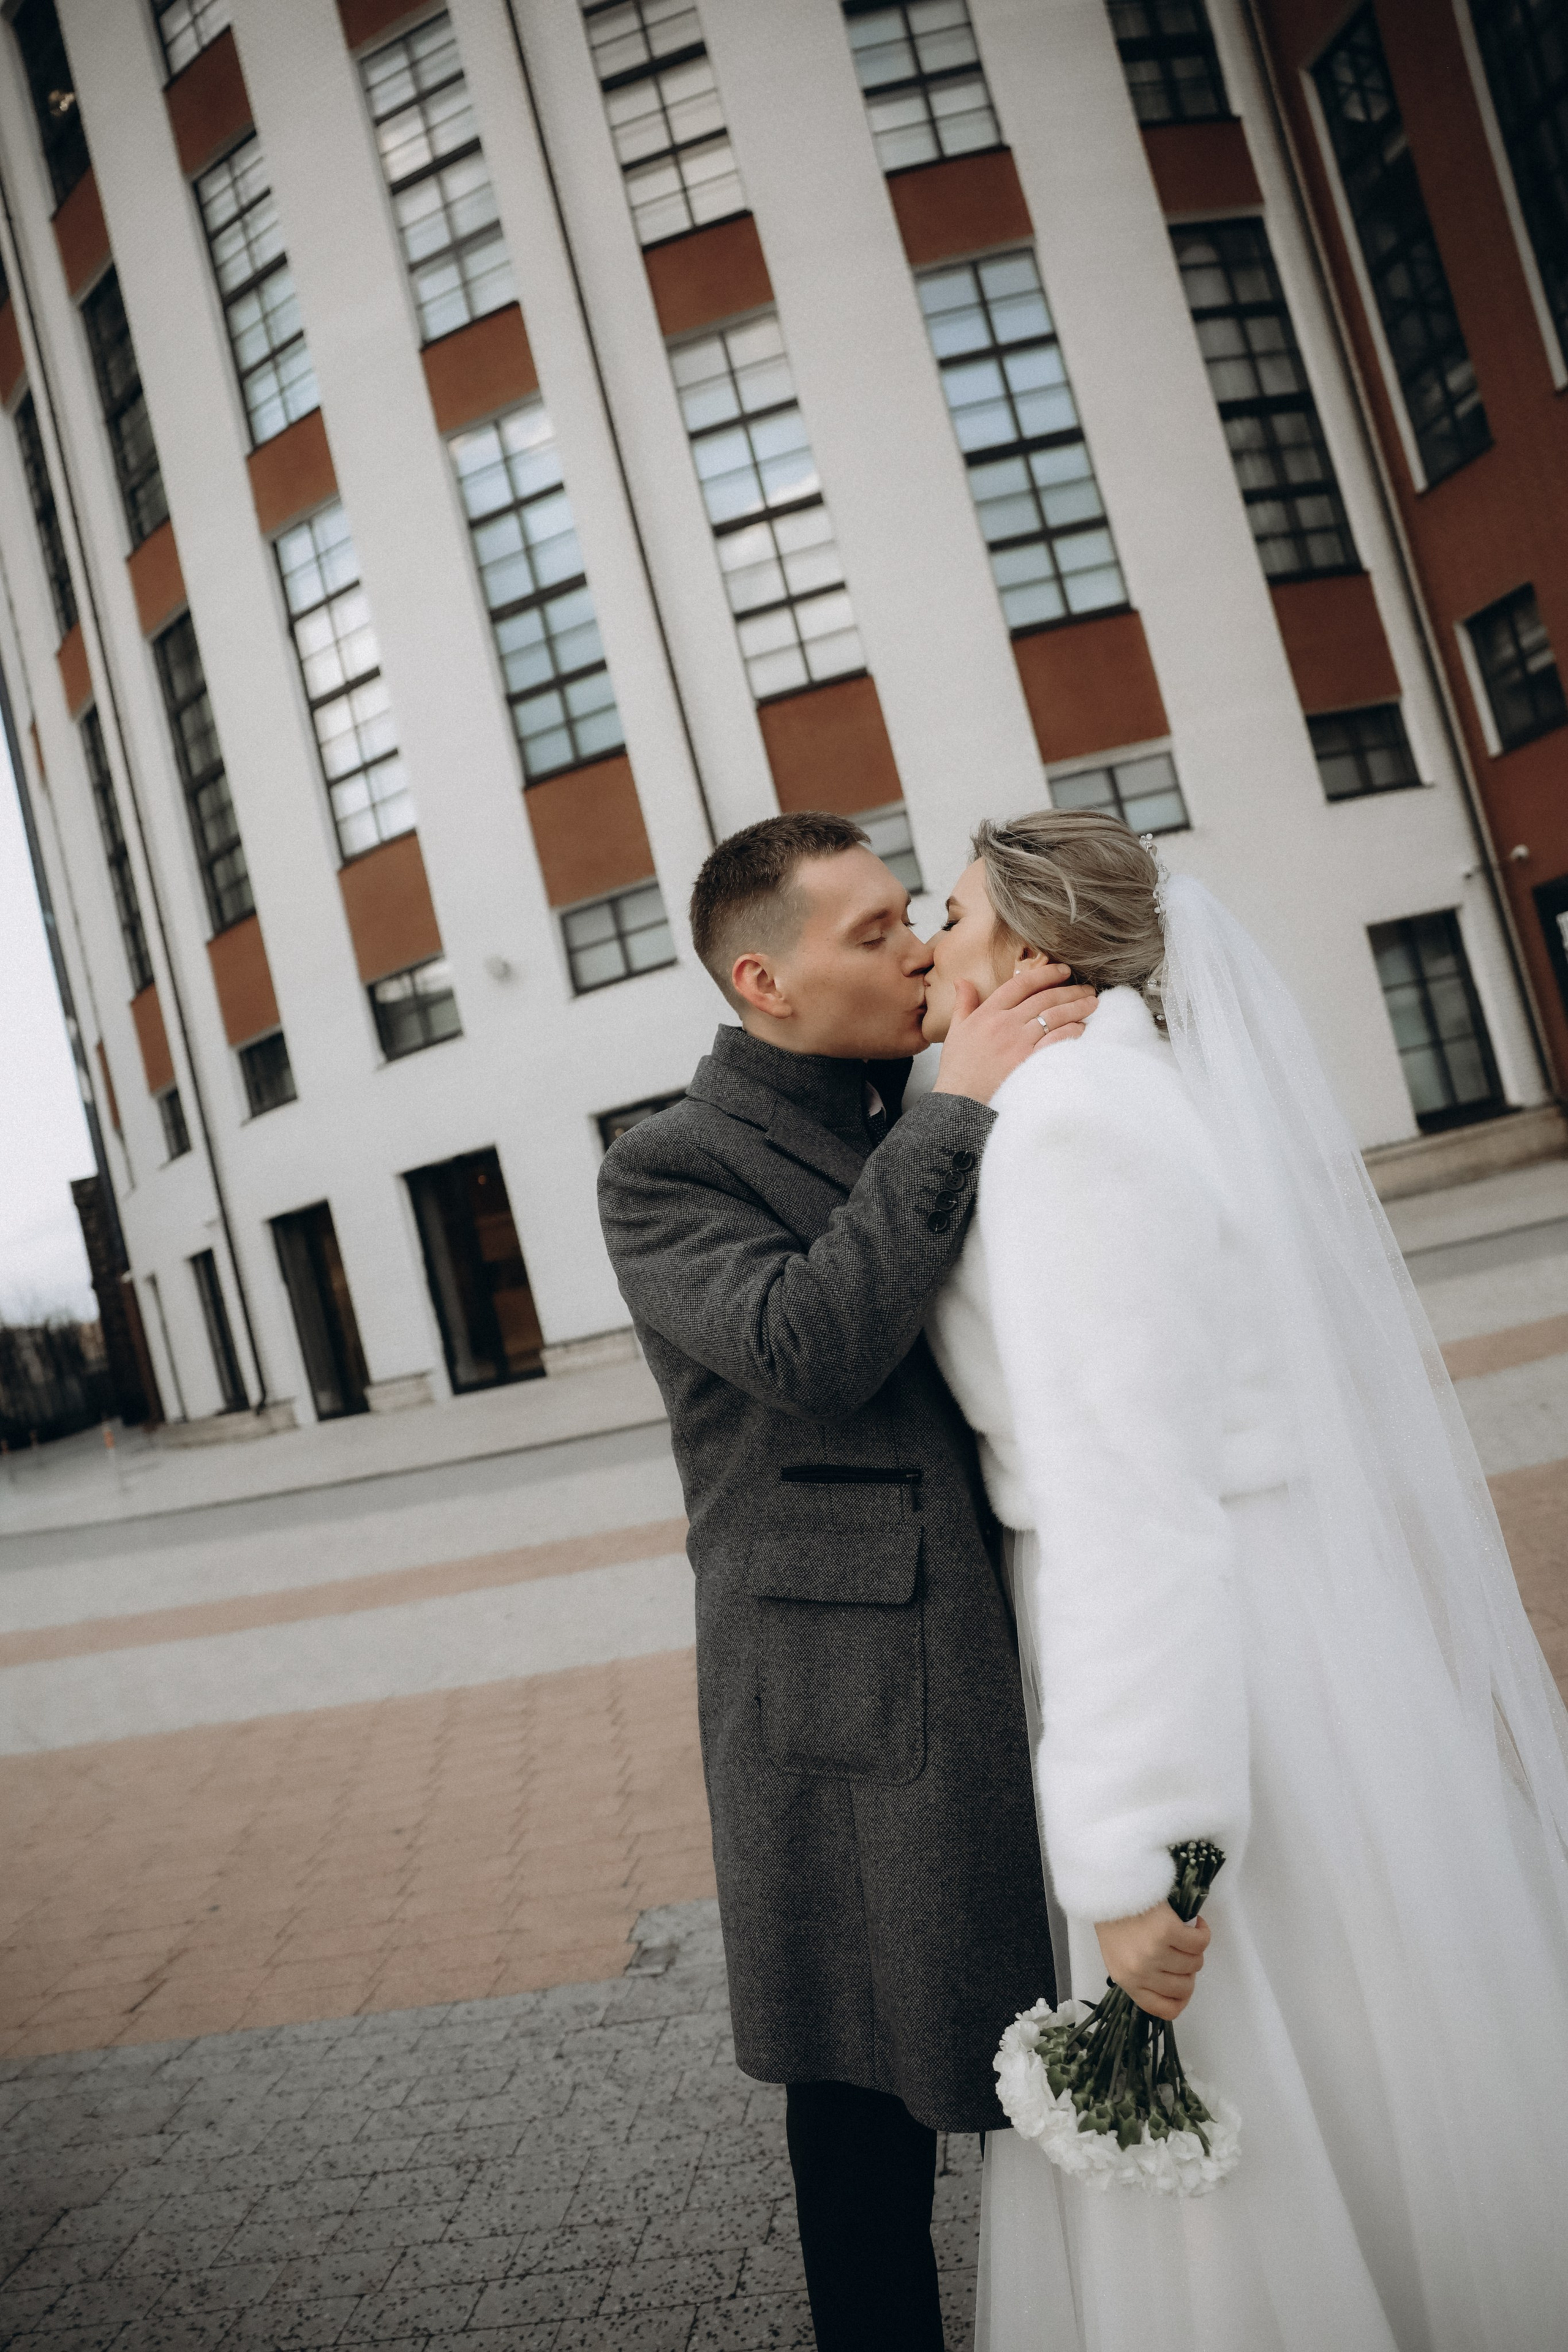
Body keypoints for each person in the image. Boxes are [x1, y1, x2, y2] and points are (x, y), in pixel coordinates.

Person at [922, 809, 1568, 2351]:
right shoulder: (1129, 1088)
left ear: (1031, 946)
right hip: (1249, 1635)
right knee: (1362, 2040)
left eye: (948, 915)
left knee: (1267, 2058)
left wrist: (1137, 1852)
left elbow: (1127, 1499)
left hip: (1187, 1672)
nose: (929, 947)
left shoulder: (1067, 1124)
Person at [597, 810, 1093, 2351]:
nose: (919, 950)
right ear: (764, 980)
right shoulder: (666, 1167)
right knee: (861, 2086)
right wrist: (960, 1108)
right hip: (835, 1688)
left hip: (1013, 1630)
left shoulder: (929, 1094)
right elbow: (804, 1345)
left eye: (911, 915)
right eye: (873, 933)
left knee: (1047, 2022)